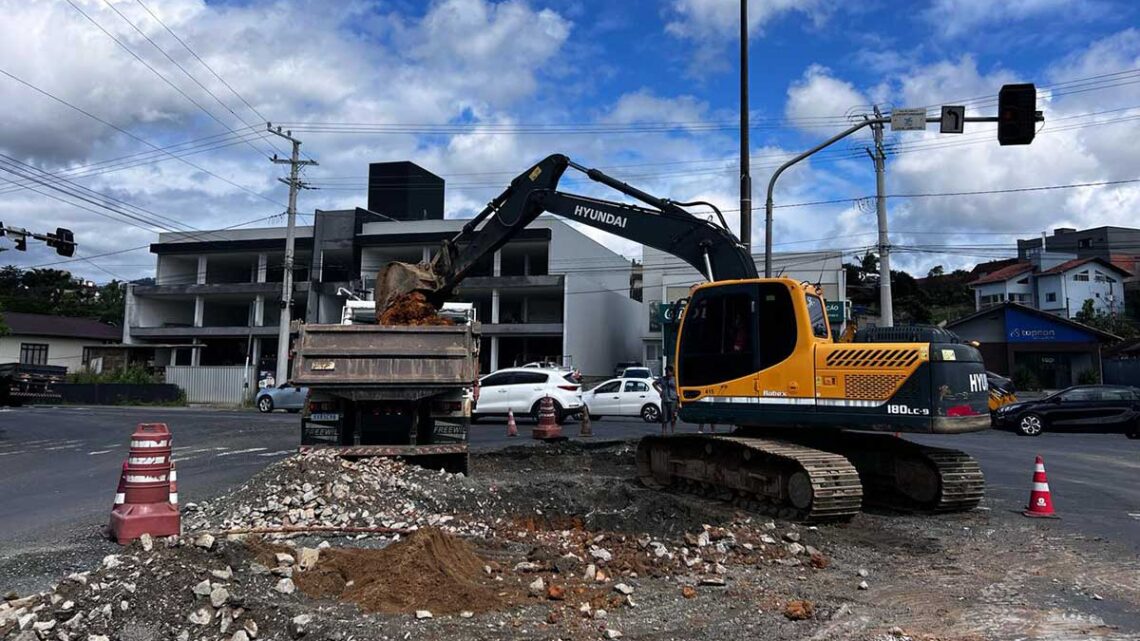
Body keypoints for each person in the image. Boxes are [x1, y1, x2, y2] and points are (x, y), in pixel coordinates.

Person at [657, 366, 678, 435]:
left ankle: (673, 431)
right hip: (665, 399)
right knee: (664, 417)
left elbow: (679, 388)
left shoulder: (675, 379)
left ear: (672, 372)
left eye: (668, 371)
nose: (667, 373)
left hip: (673, 400)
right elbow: (654, 383)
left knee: (673, 417)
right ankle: (664, 431)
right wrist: (659, 391)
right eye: (666, 371)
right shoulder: (662, 379)